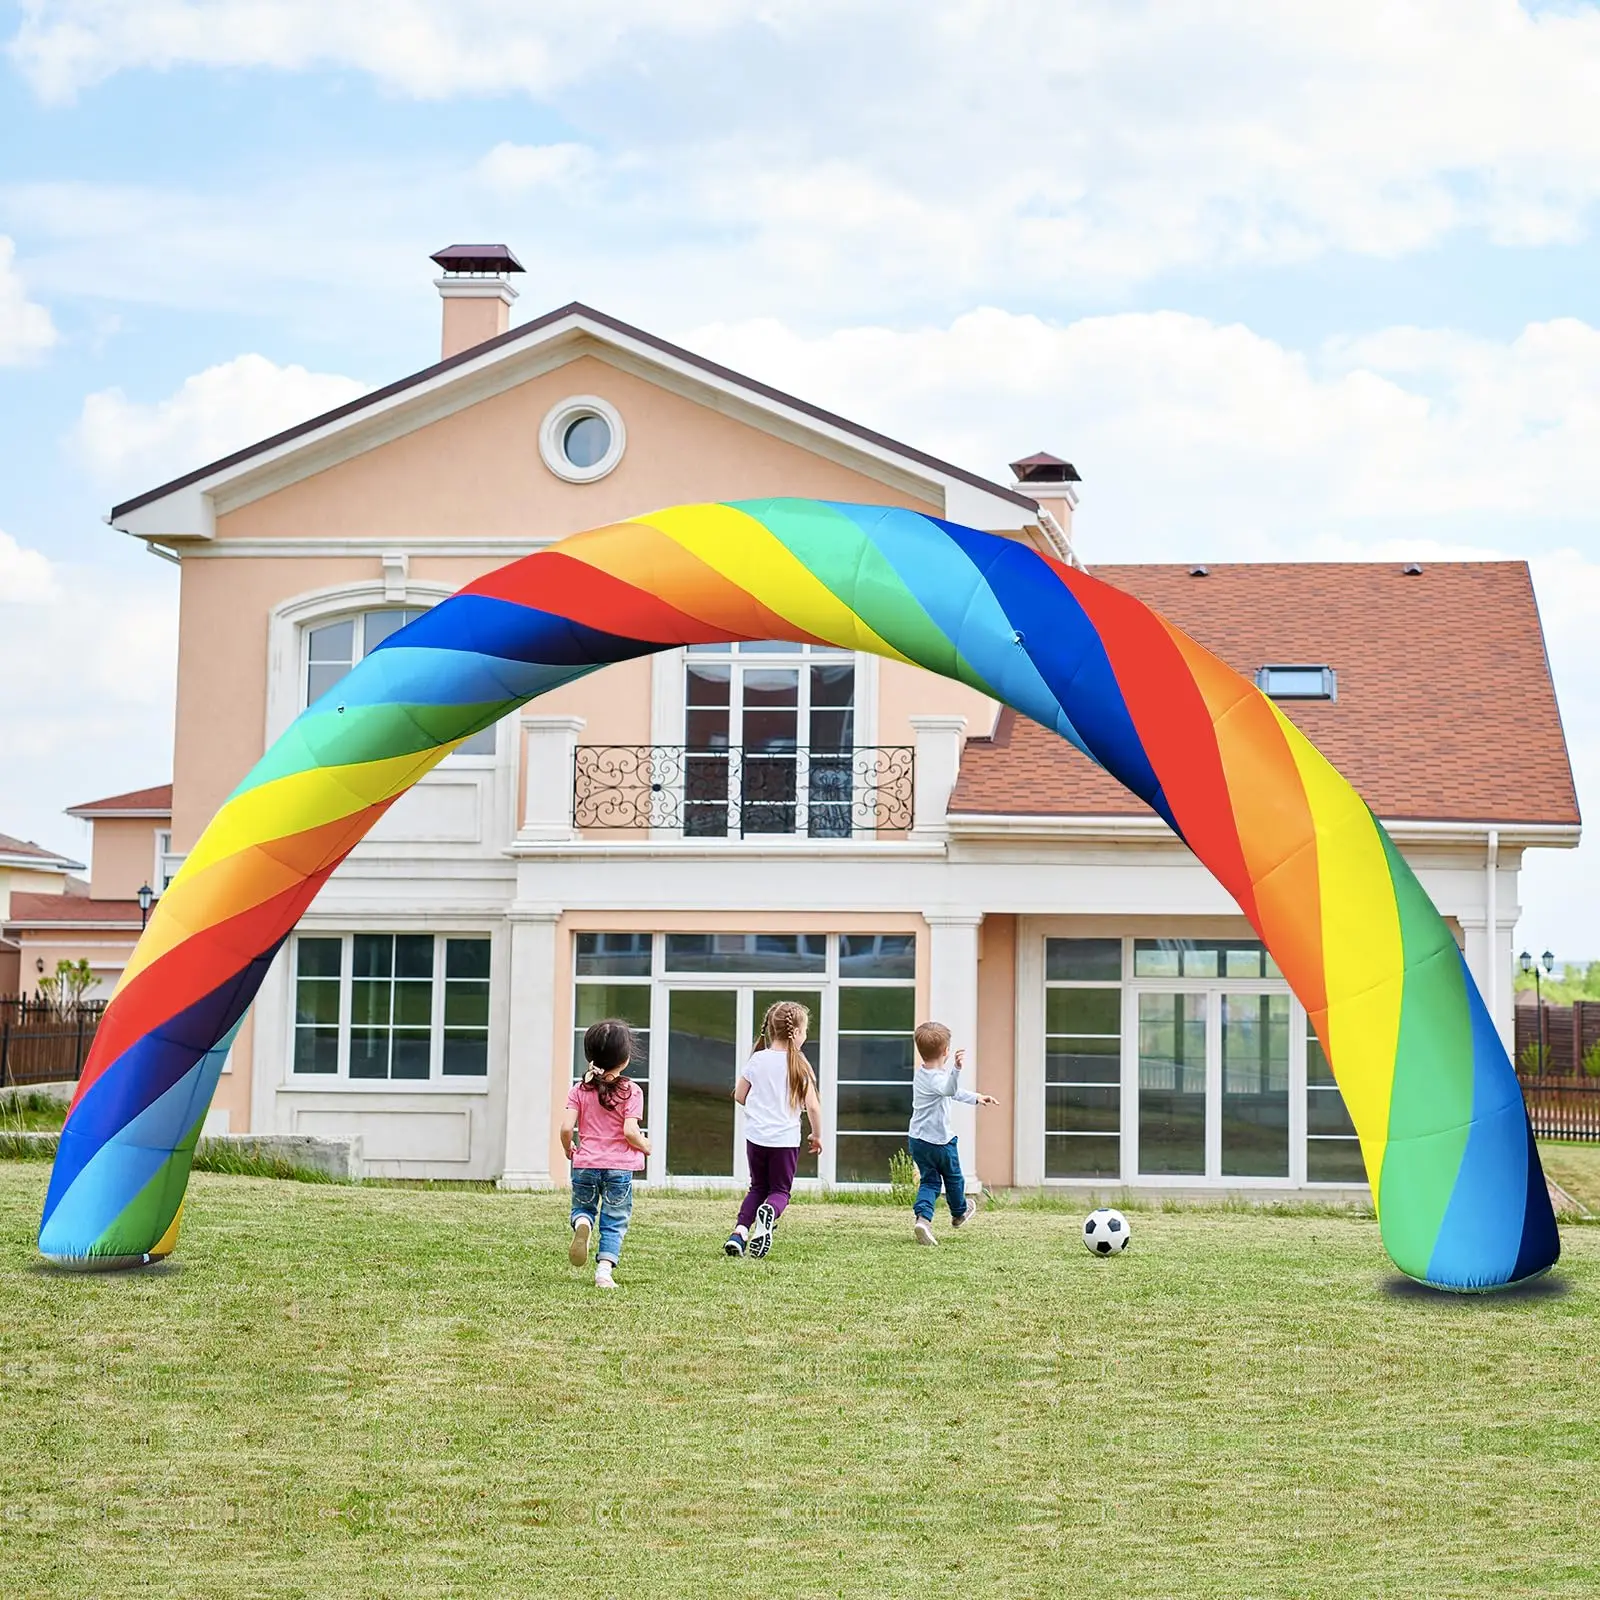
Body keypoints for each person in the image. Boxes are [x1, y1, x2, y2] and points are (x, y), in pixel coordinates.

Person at [724, 1000, 823, 1259]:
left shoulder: (757, 1059)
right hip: (785, 1141)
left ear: (770, 1029)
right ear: (797, 1033)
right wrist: (816, 1135)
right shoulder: (799, 1066)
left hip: (756, 1137)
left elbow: (739, 1095)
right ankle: (768, 1214)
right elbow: (813, 1107)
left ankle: (739, 1233)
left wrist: (759, 1106)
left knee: (757, 1187)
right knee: (779, 1191)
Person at [560, 1017, 651, 1289]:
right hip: (619, 1168)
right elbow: (630, 1131)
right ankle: (604, 1271)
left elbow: (566, 1128)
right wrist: (646, 1146)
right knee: (614, 1220)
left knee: (583, 1208)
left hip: (585, 1164)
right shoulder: (631, 1091)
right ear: (625, 1059)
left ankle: (583, 1224)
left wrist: (569, 1148)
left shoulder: (578, 1090)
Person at [907, 1021, 997, 1246]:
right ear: (946, 1051)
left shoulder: (923, 1074)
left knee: (929, 1181)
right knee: (954, 1177)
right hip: (940, 1142)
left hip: (917, 1141)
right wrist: (957, 1069)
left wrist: (976, 1097)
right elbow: (948, 1088)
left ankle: (923, 1220)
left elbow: (951, 1091)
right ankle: (959, 1212)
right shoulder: (938, 1078)